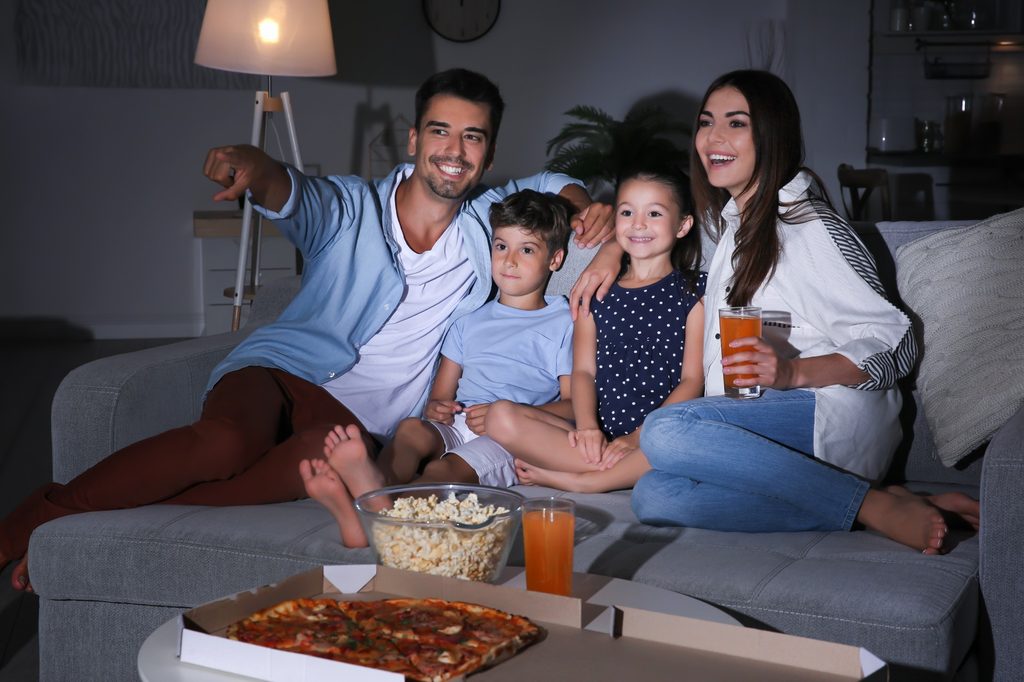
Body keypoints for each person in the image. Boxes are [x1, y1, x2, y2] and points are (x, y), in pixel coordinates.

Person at [0, 68, 620, 591]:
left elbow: (548, 184)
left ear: (487, 152)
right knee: (224, 445)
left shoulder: (489, 221)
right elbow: (294, 192)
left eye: (472, 137)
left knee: (298, 473)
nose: (454, 150)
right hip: (279, 373)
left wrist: (593, 216)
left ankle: (76, 529)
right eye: (440, 130)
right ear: (413, 137)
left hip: (352, 426)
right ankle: (33, 519)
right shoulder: (352, 207)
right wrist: (256, 166)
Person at [628, 69, 979, 554]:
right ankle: (873, 500)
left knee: (666, 428)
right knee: (654, 495)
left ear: (772, 136)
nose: (713, 138)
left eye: (736, 123)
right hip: (767, 433)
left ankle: (871, 507)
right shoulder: (735, 226)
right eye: (706, 123)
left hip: (825, 416)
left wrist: (792, 370)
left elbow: (896, 342)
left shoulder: (808, 225)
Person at [301, 189, 578, 547]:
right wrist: (437, 408)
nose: (509, 261)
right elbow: (440, 397)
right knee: (411, 431)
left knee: (441, 471)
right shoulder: (469, 320)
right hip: (461, 422)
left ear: (554, 259)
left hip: (510, 438)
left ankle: (369, 516)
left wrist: (512, 413)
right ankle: (370, 492)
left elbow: (574, 407)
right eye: (500, 246)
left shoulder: (562, 320)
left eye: (526, 250)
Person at [484, 163, 706, 493]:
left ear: (683, 225)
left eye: (655, 214)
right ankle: (610, 469)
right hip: (596, 437)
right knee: (499, 416)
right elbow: (584, 372)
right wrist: (588, 429)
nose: (639, 224)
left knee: (686, 439)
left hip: (657, 435)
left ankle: (585, 481)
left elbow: (692, 381)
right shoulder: (595, 291)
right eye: (627, 212)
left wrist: (637, 437)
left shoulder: (693, 292)